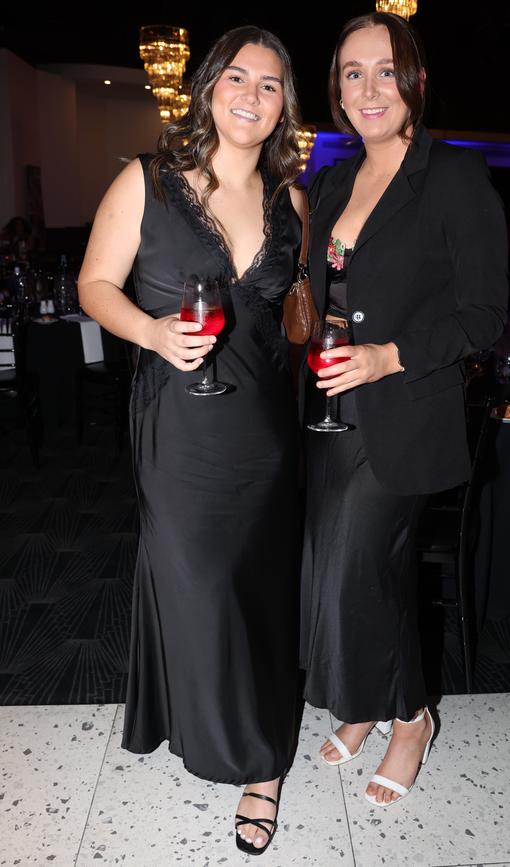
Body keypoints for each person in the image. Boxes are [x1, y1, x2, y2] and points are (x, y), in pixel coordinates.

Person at [77, 26, 304, 856]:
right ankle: (207, 717)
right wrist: (148, 330)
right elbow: (94, 284)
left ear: (285, 105)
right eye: (237, 76)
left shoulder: (293, 201)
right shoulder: (147, 181)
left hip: (266, 424)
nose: (252, 94)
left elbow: (294, 318)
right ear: (208, 86)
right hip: (175, 416)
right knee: (197, 576)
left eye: (271, 84)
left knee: (261, 581)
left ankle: (263, 759)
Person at [299, 12, 508, 807]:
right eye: (353, 73)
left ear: (414, 79)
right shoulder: (330, 179)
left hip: (405, 409)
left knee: (366, 572)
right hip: (327, 412)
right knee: (331, 571)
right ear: (337, 90)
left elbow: (485, 313)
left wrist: (390, 354)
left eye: (385, 70)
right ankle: (359, 705)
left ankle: (411, 715)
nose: (369, 88)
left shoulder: (453, 176)